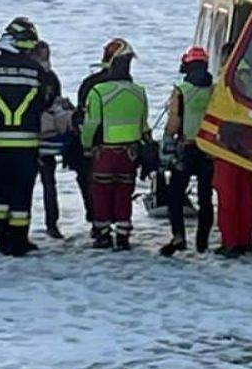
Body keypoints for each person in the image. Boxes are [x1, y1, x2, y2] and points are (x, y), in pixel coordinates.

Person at [0, 17, 54, 255]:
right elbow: (44, 102)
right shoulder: (35, 70)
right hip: (26, 142)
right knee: (21, 193)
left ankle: (1, 237)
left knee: (1, 192)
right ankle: (18, 240)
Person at [79, 40, 149, 250]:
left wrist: (86, 146)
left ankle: (102, 234)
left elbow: (91, 124)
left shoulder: (99, 91)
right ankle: (123, 234)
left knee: (101, 192)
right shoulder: (139, 91)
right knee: (123, 193)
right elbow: (144, 125)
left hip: (104, 153)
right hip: (130, 154)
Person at [159, 47, 216, 257]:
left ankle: (179, 237)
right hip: (209, 150)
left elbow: (174, 122)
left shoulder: (182, 90)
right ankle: (202, 243)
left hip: (186, 149)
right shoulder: (215, 90)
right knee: (205, 198)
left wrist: (166, 142)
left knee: (175, 196)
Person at [33, 41, 69, 239]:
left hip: (46, 136)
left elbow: (55, 100)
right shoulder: (32, 76)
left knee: (49, 182)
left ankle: (52, 223)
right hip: (31, 136)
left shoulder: (51, 78)